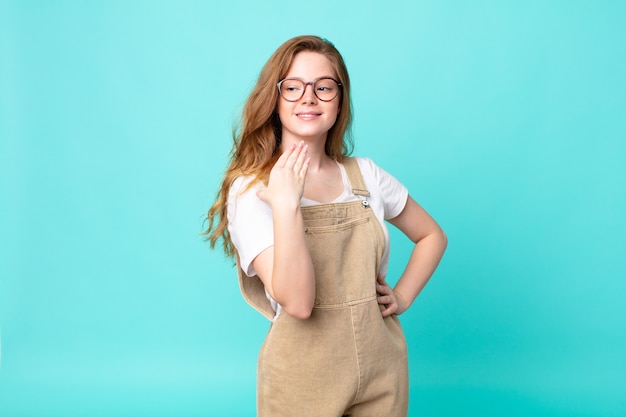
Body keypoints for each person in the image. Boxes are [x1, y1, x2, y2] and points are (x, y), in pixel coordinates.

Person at [205, 35, 447, 417]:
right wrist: (286, 206)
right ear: (275, 98)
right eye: (293, 87)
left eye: (324, 86)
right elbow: (298, 303)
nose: (309, 97)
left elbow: (432, 235)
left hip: (383, 368)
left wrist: (402, 296)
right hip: (302, 376)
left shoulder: (365, 176)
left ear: (340, 98)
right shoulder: (252, 190)